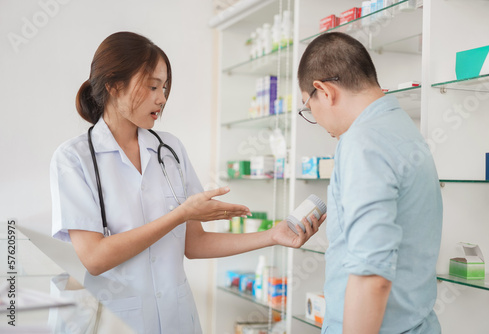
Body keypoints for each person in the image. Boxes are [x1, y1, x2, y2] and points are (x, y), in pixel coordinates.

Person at [50, 31, 326, 334]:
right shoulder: (74, 159)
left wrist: (273, 235)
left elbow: (194, 243)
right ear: (114, 86)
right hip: (117, 322)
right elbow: (95, 258)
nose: (162, 98)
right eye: (153, 86)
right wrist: (180, 214)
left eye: (165, 87)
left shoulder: (170, 150)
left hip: (176, 319)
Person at [297, 32, 443, 334]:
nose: (317, 119)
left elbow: (372, 275)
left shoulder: (362, 142)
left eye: (308, 108)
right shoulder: (403, 129)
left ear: (324, 91)